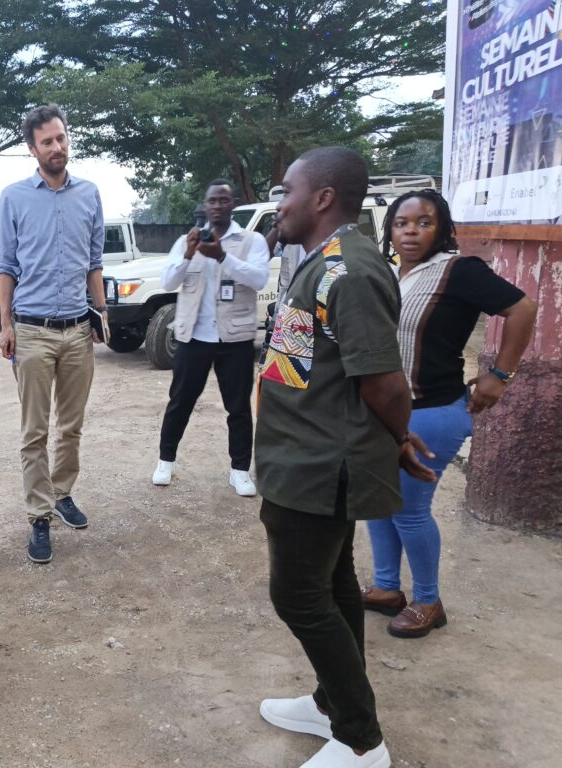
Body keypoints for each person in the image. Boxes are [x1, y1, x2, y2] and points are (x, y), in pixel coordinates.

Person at [254, 147, 436, 768]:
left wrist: (401, 438)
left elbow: (384, 383)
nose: (282, 203)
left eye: (288, 191)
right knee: (333, 585)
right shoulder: (320, 263)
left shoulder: (350, 271)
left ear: (324, 198)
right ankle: (332, 702)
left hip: (320, 463)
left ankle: (361, 740)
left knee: (298, 594)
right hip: (295, 455)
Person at [361, 190, 537, 639]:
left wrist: (500, 374)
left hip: (431, 411)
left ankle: (428, 600)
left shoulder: (459, 270)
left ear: (443, 228)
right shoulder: (397, 274)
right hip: (387, 412)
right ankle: (386, 587)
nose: (411, 232)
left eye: (424, 222)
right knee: (380, 504)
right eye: (402, 223)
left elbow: (522, 308)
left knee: (409, 510)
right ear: (389, 230)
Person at [0, 103, 108, 564]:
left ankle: (61, 493)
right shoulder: (14, 197)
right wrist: (4, 323)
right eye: (47, 142)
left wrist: (102, 312)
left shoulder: (90, 194)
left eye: (61, 138)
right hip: (33, 330)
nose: (57, 147)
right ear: (32, 149)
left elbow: (95, 261)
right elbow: (5, 266)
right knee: (34, 430)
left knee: (73, 426)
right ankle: (38, 516)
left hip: (79, 330)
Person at [151, 179, 269, 494]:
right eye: (212, 200)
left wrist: (222, 257)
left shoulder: (251, 240)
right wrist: (188, 253)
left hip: (235, 340)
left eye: (223, 200)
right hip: (193, 339)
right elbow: (167, 282)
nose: (217, 206)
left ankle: (240, 470)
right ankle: (166, 460)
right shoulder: (184, 241)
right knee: (180, 402)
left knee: (239, 408)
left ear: (233, 205)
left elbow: (258, 278)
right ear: (205, 205)